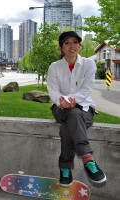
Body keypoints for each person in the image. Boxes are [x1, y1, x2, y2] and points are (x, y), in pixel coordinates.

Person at [47, 31, 106, 187]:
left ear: (80, 45)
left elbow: (87, 88)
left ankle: (65, 167)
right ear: (61, 48)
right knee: (71, 114)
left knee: (67, 126)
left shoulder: (88, 64)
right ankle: (88, 158)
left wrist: (73, 100)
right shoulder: (54, 67)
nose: (71, 46)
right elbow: (53, 91)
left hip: (84, 108)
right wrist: (62, 100)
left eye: (75, 42)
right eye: (67, 43)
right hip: (60, 108)